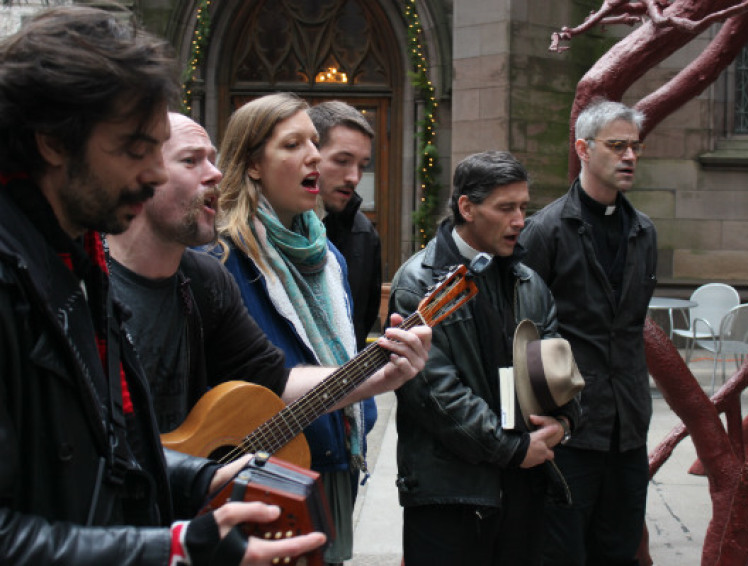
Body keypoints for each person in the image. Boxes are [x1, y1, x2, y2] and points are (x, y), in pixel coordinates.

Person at [0, 6, 326, 564]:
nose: (154, 174)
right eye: (135, 149)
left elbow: (103, 451)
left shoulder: (76, 259)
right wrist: (175, 547)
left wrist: (204, 475)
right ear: (53, 143)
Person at [106, 111, 431, 435]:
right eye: (191, 160)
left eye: (212, 160)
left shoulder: (205, 279)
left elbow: (273, 382)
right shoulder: (84, 284)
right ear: (135, 176)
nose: (215, 174)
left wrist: (378, 375)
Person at [387, 150, 582, 566]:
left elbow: (557, 368)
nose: (519, 220)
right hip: (451, 494)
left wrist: (562, 421)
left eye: (524, 208)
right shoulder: (418, 282)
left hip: (523, 488)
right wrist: (512, 448)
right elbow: (436, 396)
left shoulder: (530, 281)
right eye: (506, 208)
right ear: (467, 208)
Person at [213, 92, 383, 565]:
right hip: (264, 469)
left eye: (313, 141)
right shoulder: (221, 260)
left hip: (336, 461)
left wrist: (364, 408)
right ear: (251, 164)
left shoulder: (331, 258)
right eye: (293, 144)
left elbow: (348, 352)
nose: (313, 156)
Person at [519, 99, 658, 565]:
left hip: (628, 427)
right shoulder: (545, 231)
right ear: (583, 148)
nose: (630, 157)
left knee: (618, 552)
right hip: (570, 427)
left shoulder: (644, 231)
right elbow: (522, 334)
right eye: (617, 146)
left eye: (635, 147)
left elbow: (632, 326)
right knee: (563, 554)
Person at [308, 101, 382, 351]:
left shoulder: (364, 234)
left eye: (362, 166)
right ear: (309, 156)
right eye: (342, 161)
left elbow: (361, 321)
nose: (354, 177)